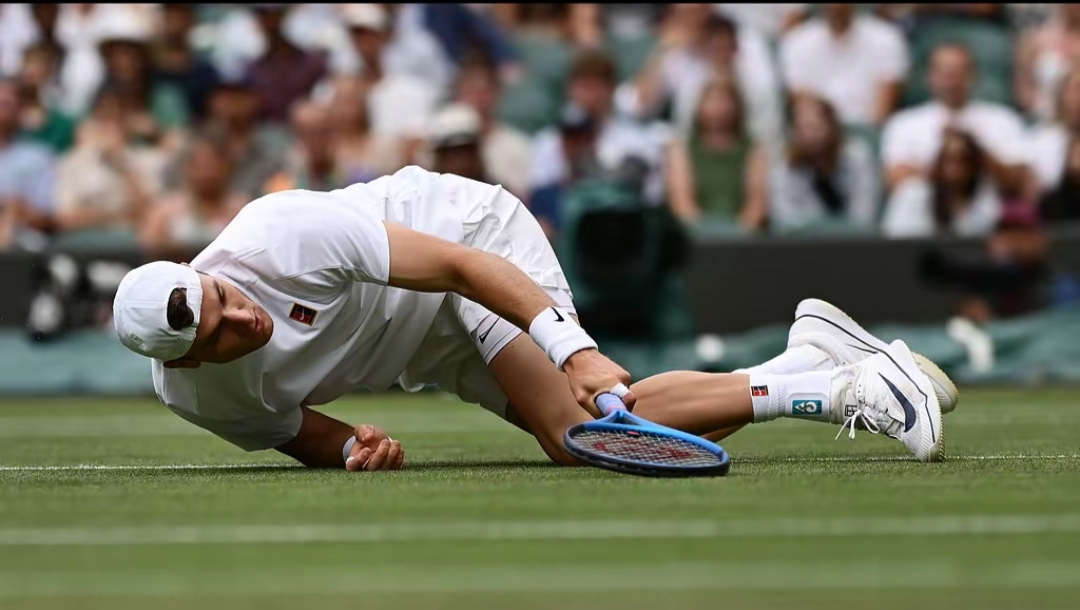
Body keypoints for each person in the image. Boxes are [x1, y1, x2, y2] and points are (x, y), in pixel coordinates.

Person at [112, 166, 958, 472]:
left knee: (576, 429)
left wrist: (572, 347)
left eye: (224, 298)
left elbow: (459, 268)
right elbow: (299, 430)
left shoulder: (277, 231)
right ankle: (818, 358)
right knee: (588, 432)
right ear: (184, 366)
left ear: (202, 270)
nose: (242, 321)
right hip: (428, 345)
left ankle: (847, 389)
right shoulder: (201, 401)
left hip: (465, 246)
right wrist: (354, 451)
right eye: (218, 336)